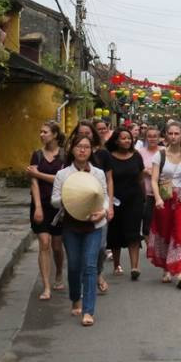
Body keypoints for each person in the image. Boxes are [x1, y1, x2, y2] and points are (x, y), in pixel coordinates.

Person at [51, 136, 112, 327]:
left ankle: (88, 310)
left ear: (91, 151)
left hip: (94, 225)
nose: (83, 150)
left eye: (86, 147)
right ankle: (75, 297)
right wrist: (68, 198)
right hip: (71, 225)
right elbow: (54, 200)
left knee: (90, 265)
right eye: (79, 147)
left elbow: (105, 197)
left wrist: (103, 211)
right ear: (72, 149)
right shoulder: (63, 174)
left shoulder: (98, 173)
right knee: (74, 266)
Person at [65, 120, 114, 294]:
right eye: (81, 133)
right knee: (77, 258)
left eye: (88, 133)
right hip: (76, 210)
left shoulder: (103, 156)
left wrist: (108, 207)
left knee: (100, 247)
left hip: (98, 209)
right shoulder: (71, 160)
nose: (85, 136)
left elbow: (108, 181)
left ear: (93, 135)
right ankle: (80, 289)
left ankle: (97, 273)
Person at [148, 121, 181, 289]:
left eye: (177, 134)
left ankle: (180, 272)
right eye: (171, 133)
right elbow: (154, 180)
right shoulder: (160, 155)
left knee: (180, 233)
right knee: (165, 232)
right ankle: (166, 268)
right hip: (165, 197)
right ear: (166, 135)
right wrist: (157, 198)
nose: (174, 137)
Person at [27, 120, 67, 301]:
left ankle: (58, 272)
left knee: (57, 245)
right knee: (44, 242)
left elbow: (62, 180)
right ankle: (46, 286)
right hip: (41, 203)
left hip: (59, 205)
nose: (41, 135)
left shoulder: (65, 156)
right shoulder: (36, 155)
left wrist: (38, 174)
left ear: (55, 135)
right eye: (40, 132)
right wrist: (37, 207)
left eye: (45, 132)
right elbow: (33, 182)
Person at [107, 128, 144, 280]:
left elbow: (141, 178)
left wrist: (144, 197)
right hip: (115, 200)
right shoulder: (109, 157)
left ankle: (134, 267)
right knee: (115, 233)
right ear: (116, 140)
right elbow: (107, 179)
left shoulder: (136, 156)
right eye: (123, 138)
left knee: (133, 233)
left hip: (134, 200)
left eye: (129, 138)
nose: (127, 141)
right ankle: (117, 265)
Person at [137, 126, 162, 247]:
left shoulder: (164, 151)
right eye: (149, 136)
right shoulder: (140, 152)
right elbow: (135, 171)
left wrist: (158, 172)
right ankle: (149, 245)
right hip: (146, 193)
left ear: (159, 138)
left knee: (162, 221)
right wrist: (145, 171)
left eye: (155, 136)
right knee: (146, 222)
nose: (152, 139)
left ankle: (159, 245)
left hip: (163, 192)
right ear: (146, 138)